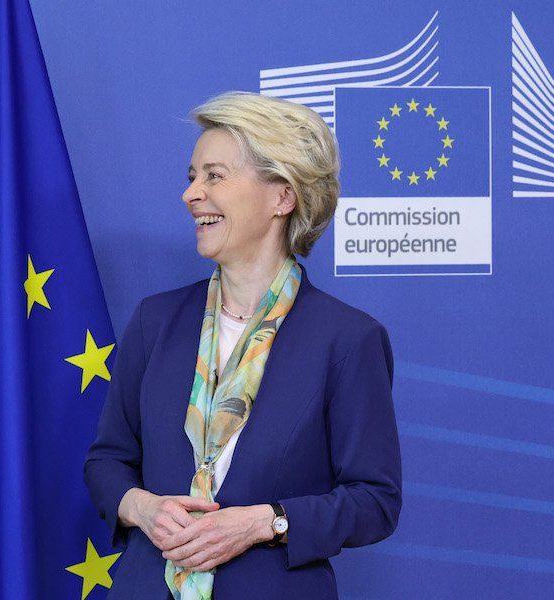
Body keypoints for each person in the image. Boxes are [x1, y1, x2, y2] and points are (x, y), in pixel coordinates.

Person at [84, 91, 401, 599]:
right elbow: (106, 463)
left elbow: (375, 502)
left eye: (215, 176)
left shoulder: (347, 339)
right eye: (192, 177)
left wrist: (265, 522)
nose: (192, 194)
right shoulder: (155, 321)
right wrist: (145, 508)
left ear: (282, 196)